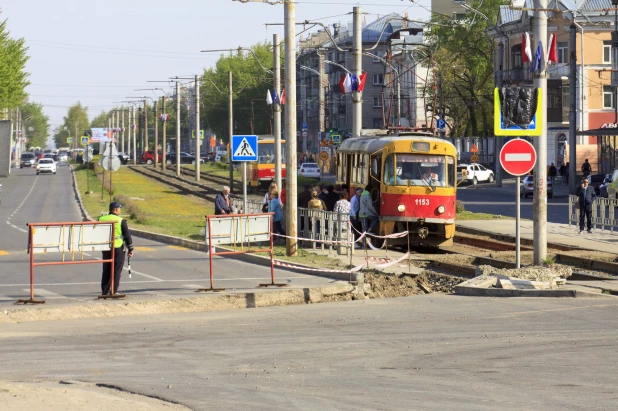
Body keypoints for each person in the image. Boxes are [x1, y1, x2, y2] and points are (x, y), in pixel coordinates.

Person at [98, 201, 134, 296]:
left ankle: (104, 291)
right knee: (116, 269)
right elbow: (127, 236)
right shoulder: (121, 220)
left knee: (106, 269)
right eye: (119, 208)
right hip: (117, 247)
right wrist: (131, 249)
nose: (120, 210)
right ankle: (113, 291)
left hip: (105, 247)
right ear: (116, 209)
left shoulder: (101, 219)